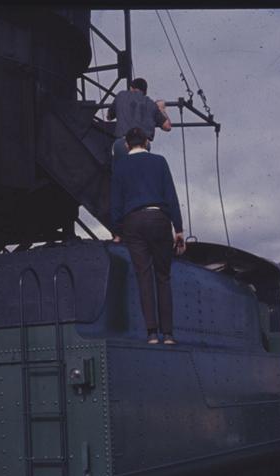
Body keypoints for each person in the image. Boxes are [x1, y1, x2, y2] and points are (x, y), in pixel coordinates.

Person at [110, 127, 185, 345]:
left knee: (144, 277)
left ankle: (151, 334)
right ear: (146, 142)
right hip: (159, 219)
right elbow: (171, 195)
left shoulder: (119, 166)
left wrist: (117, 231)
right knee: (163, 277)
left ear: (126, 145)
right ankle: (168, 335)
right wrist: (178, 229)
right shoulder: (160, 161)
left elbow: (115, 202)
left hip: (133, 223)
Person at [107, 78, 171, 168]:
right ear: (145, 92)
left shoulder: (121, 95)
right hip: (142, 146)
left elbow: (109, 117)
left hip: (122, 144)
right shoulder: (151, 104)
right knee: (139, 175)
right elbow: (167, 126)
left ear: (131, 88)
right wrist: (161, 109)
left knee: (118, 173)